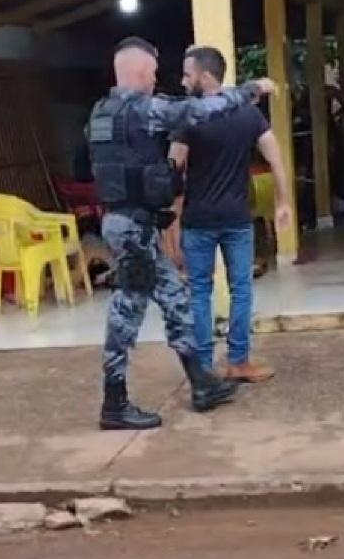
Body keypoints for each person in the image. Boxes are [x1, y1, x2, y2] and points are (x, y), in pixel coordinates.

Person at [89, 37, 276, 431]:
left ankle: (202, 384)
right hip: (132, 229)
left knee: (177, 302)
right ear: (140, 73)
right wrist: (250, 91)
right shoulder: (139, 110)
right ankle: (114, 403)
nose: (157, 81)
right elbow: (199, 110)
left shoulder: (103, 112)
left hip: (131, 225)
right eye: (154, 74)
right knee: (127, 313)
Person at [170, 45, 292, 382]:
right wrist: (283, 201)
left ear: (205, 76)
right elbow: (276, 158)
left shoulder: (189, 117)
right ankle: (239, 360)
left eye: (187, 74)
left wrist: (172, 218)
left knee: (199, 292)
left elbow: (173, 169)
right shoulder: (249, 115)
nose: (183, 81)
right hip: (237, 218)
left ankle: (206, 367)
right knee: (242, 289)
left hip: (198, 220)